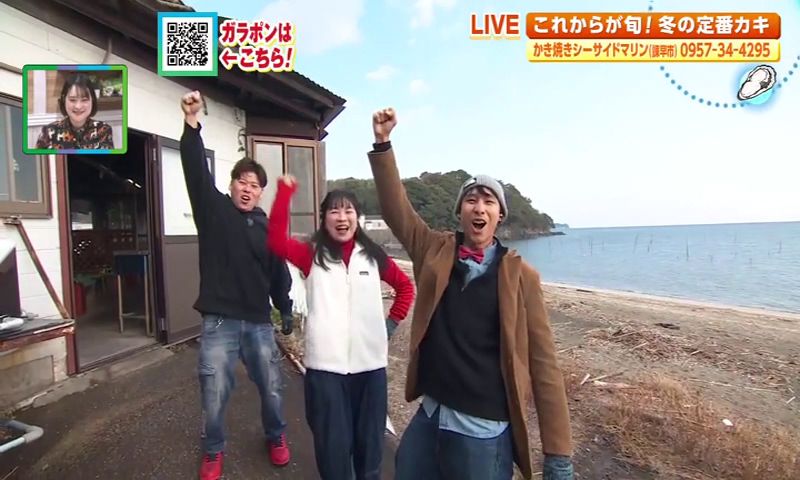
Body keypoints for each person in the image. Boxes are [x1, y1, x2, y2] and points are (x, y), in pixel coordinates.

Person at [367, 108, 575, 480]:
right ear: (460, 211)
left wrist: (558, 452)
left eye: (489, 202)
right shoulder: (434, 251)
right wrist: (383, 145)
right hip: (432, 414)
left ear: (499, 216)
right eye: (471, 200)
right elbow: (398, 212)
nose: (479, 208)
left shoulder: (521, 277)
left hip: (483, 430)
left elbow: (544, 364)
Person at [267, 175, 415, 480]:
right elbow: (276, 242)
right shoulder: (311, 255)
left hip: (370, 370)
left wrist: (389, 325)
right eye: (334, 211)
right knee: (332, 452)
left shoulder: (373, 257)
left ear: (357, 218)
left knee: (370, 452)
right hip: (325, 372)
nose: (342, 217)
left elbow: (405, 288)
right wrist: (284, 192)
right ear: (324, 219)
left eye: (349, 211)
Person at [179, 90, 294, 480]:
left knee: (272, 387)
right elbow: (195, 171)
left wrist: (286, 309)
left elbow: (279, 273)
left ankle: (276, 436)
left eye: (254, 185)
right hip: (219, 321)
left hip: (259, 322)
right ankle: (213, 450)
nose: (247, 188)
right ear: (231, 185)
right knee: (213, 391)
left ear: (261, 192)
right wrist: (192, 124)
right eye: (241, 182)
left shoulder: (267, 227)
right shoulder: (213, 211)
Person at [35, 73, 115, 150]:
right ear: (64, 100)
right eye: (72, 100)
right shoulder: (48, 132)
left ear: (92, 101)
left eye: (84, 100)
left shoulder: (103, 130)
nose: (78, 106)